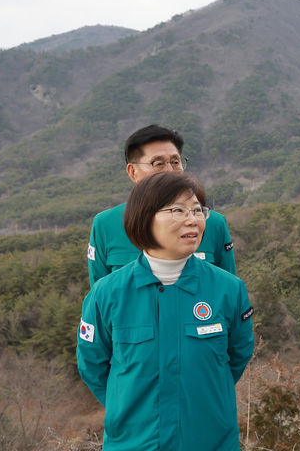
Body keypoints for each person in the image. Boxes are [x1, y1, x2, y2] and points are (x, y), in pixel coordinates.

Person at [77, 172, 254, 450]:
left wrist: (206, 398)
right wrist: (128, 409)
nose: (192, 219)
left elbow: (238, 355)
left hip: (210, 440)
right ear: (144, 217)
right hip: (134, 442)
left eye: (197, 210)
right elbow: (93, 365)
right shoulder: (107, 293)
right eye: (178, 210)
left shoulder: (228, 289)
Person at [87, 125, 235, 287]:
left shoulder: (212, 223)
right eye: (158, 163)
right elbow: (99, 295)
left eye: (175, 162)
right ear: (133, 172)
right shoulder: (106, 224)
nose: (170, 171)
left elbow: (228, 293)